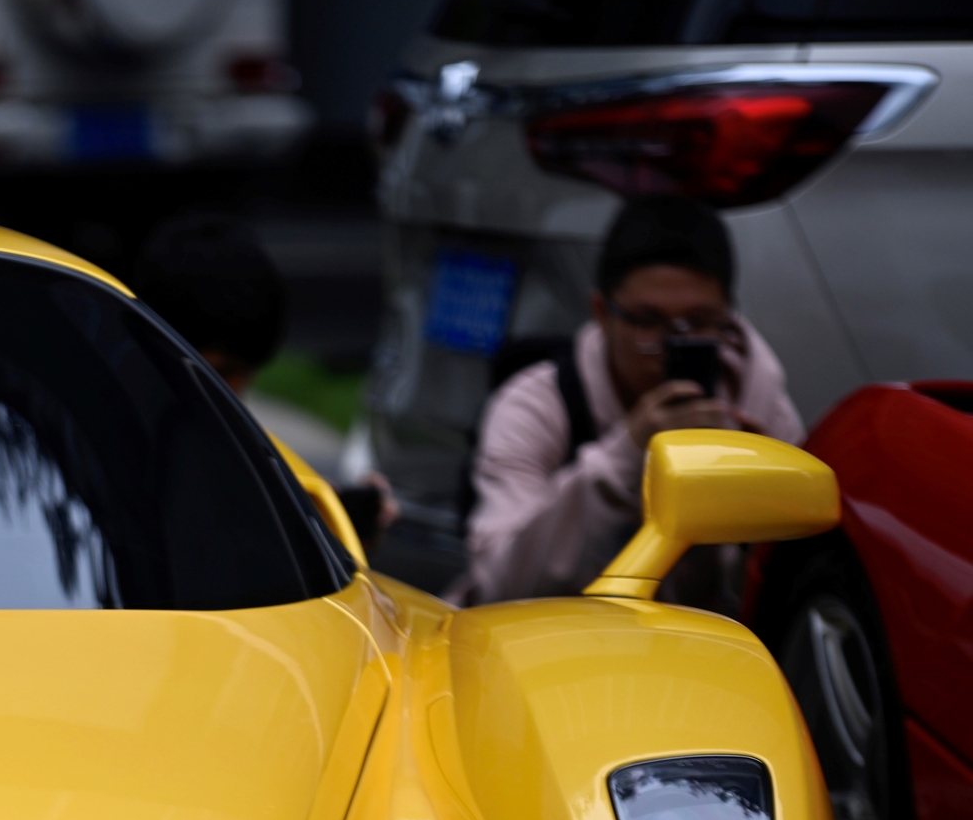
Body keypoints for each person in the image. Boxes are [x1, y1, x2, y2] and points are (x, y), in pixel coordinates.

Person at [460, 197, 803, 607]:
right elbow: (499, 589)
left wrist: (757, 517)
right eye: (647, 321)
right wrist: (625, 456)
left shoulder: (756, 400)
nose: (671, 345)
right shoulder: (535, 407)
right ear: (602, 312)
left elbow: (794, 595)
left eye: (698, 322)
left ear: (729, 315)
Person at [131, 213, 392, 540]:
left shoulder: (221, 448)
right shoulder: (118, 448)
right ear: (154, 341)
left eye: (243, 374)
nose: (230, 394)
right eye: (217, 371)